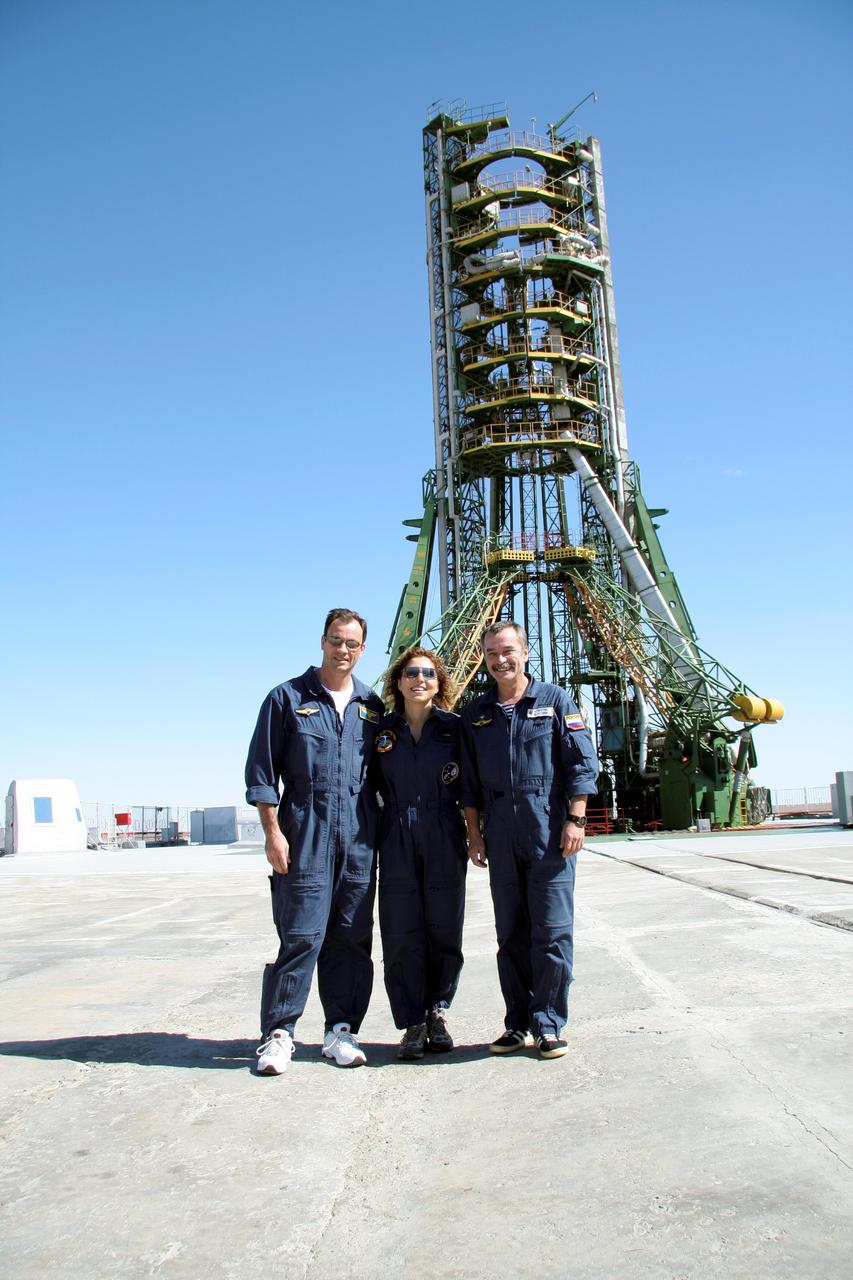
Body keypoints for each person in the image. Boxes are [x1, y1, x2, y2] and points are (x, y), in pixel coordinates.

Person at [245, 608, 384, 1075]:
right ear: (322, 642)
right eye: (335, 641)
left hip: (359, 837)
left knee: (350, 938)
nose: (343, 651)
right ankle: (279, 1034)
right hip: (304, 834)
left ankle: (341, 1030)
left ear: (363, 649)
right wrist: (272, 834)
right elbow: (263, 776)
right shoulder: (287, 699)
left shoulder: (374, 706)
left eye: (352, 644)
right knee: (301, 936)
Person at [459, 621, 599, 1059]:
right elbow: (469, 784)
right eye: (492, 653)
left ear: (524, 653)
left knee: (552, 932)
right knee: (511, 934)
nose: (501, 660)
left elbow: (581, 763)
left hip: (549, 833)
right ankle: (517, 1022)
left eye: (508, 651)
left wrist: (576, 819)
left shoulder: (554, 701)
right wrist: (475, 834)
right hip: (500, 835)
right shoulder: (476, 713)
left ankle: (549, 1023)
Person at [374, 647, 467, 1060]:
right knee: (400, 931)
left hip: (444, 831)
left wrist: (476, 833)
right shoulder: (379, 733)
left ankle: (437, 1011)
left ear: (439, 682)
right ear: (398, 681)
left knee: (444, 927)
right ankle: (411, 1020)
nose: (420, 679)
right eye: (411, 672)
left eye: (429, 673)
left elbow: (472, 788)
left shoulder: (454, 730)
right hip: (394, 834)